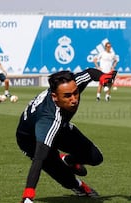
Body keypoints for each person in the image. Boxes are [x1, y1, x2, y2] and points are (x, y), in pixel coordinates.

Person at [16, 69, 116, 203]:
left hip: (61, 128)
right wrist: (28, 196)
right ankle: (78, 185)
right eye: (68, 96)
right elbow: (38, 159)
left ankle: (67, 160)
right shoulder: (49, 119)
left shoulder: (72, 84)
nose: (74, 100)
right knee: (64, 176)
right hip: (30, 141)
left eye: (76, 93)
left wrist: (102, 77)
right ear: (54, 97)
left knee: (95, 157)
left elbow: (90, 73)